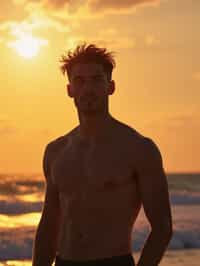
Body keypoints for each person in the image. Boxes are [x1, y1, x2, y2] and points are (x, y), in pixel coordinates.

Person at [32, 43, 173, 266]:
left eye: (97, 79)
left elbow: (162, 227)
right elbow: (49, 225)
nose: (88, 88)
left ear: (111, 86)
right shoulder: (56, 151)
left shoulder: (138, 148)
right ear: (70, 90)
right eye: (79, 81)